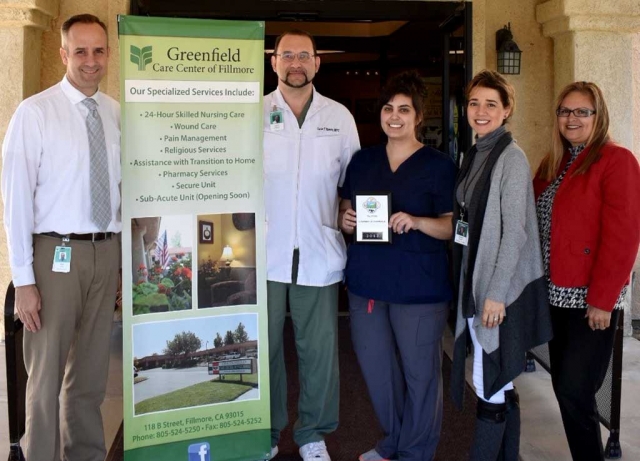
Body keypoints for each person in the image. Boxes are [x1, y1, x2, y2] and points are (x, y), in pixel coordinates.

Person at [1, 14, 121, 461]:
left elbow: (122, 191)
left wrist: (123, 262)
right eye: (81, 51)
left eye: (99, 50)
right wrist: (25, 281)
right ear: (63, 53)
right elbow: (14, 200)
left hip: (104, 253)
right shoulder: (35, 112)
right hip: (54, 255)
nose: (91, 61)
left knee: (90, 377)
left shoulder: (114, 114)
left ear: (108, 53)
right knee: (45, 377)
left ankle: (86, 455)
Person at [339, 71, 455, 461]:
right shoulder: (362, 161)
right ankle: (393, 441)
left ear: (418, 117)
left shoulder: (439, 166)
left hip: (419, 289)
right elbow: (344, 205)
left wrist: (419, 221)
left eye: (404, 109)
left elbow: (454, 225)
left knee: (420, 375)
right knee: (378, 373)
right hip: (367, 284)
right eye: (389, 108)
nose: (395, 116)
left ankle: (416, 452)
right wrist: (345, 219)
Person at [262, 29, 360, 461]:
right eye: (288, 55)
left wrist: (347, 213)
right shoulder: (252, 113)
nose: (296, 63)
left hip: (318, 252)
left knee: (318, 350)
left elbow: (353, 184)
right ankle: (265, 430)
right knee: (262, 349)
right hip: (263, 252)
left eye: (304, 55)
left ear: (317, 63)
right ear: (274, 62)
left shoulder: (339, 117)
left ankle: (313, 433)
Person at [533, 81, 640, 461]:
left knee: (574, 390)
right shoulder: (554, 163)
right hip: (553, 296)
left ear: (599, 116)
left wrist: (602, 301)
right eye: (565, 111)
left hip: (588, 302)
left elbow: (623, 237)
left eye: (582, 111)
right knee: (567, 387)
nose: (572, 118)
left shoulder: (617, 160)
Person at [450, 70, 552, 461]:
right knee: (502, 383)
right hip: (479, 281)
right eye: (474, 102)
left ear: (507, 110)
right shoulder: (476, 153)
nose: (480, 111)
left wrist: (495, 295)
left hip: (496, 291)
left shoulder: (510, 158)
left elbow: (517, 234)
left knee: (488, 380)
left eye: (491, 104)